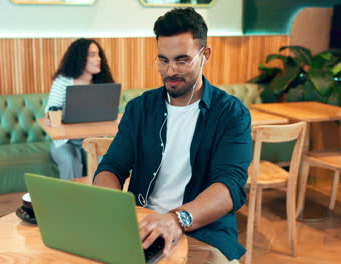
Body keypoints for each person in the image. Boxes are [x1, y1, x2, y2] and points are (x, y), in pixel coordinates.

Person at [93, 7, 251, 263]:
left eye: (182, 60)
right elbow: (112, 166)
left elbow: (229, 187)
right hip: (141, 226)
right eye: (163, 60)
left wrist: (177, 219)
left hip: (203, 231)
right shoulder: (139, 109)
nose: (170, 71)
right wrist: (115, 211)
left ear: (205, 55)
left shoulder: (230, 114)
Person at [45, 38, 114, 180]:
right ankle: (72, 200)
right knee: (70, 160)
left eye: (98, 54)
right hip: (65, 142)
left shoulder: (103, 83)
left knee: (106, 161)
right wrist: (53, 113)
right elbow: (50, 112)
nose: (98, 59)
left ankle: (103, 198)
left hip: (94, 139)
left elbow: (109, 114)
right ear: (80, 58)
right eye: (92, 55)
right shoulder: (63, 81)